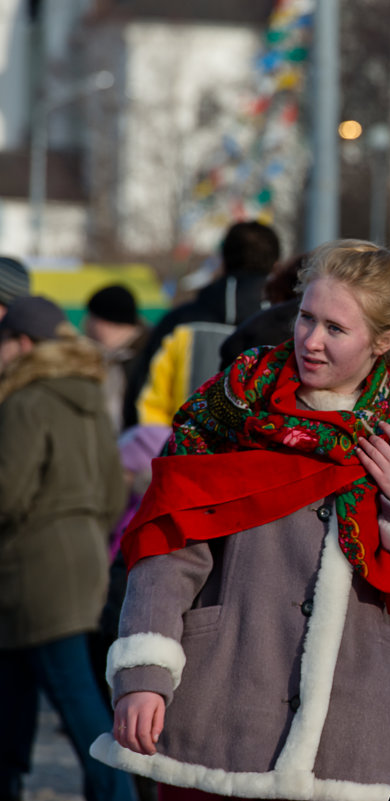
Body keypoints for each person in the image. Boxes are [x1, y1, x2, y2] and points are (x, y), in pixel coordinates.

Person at [89, 240, 390, 801]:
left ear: (383, 342)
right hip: (222, 723)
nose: (310, 341)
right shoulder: (233, 407)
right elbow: (171, 548)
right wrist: (143, 675)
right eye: (306, 317)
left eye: (336, 329)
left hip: (354, 742)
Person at [0, 296, 133, 801]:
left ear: (24, 344)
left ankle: (116, 794)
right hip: (81, 561)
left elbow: (7, 493)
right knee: (16, 698)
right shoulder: (88, 395)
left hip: (32, 569)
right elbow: (111, 493)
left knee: (77, 703)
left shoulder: (25, 401)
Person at [126, 220, 281, 426]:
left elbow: (144, 403)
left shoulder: (178, 322)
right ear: (276, 265)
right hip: (262, 454)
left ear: (222, 261)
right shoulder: (292, 326)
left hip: (185, 451)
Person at [84, 284, 152, 432]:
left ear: (105, 322)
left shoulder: (147, 358)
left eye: (91, 317)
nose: (86, 325)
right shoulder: (107, 357)